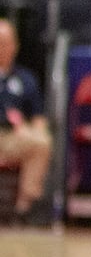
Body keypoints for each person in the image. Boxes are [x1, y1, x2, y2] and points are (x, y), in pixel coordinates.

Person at [0, 19, 51, 226]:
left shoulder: (26, 79)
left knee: (42, 142)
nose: (1, 48)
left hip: (14, 137)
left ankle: (22, 209)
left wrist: (33, 130)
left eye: (5, 43)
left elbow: (38, 117)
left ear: (15, 46)